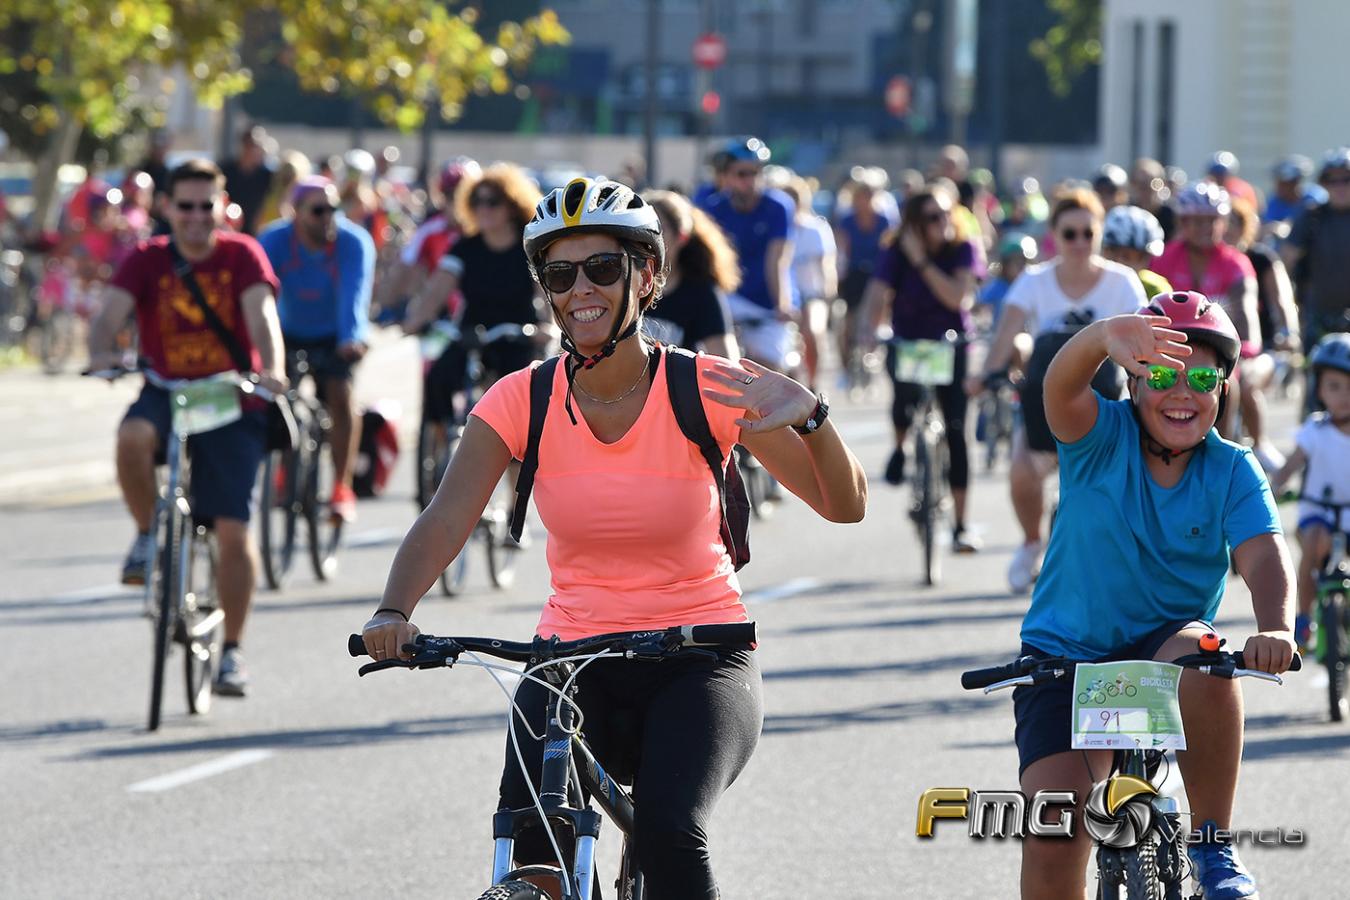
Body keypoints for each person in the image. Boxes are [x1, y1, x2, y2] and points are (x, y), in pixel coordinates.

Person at [360, 176, 867, 899]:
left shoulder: (708, 388)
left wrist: (812, 418)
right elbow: (446, 516)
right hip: (569, 659)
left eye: (602, 268)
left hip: (703, 658)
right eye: (560, 275)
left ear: (647, 276)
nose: (580, 291)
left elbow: (844, 506)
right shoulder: (521, 398)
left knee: (666, 833)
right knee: (532, 845)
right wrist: (393, 611)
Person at [1012, 291, 1295, 900]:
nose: (1181, 392)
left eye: (1201, 378)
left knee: (1204, 651)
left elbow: (1265, 555)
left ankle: (1213, 845)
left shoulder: (1234, 467)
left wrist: (1277, 627)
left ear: (1223, 389)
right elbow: (1058, 389)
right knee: (1054, 834)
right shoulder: (1097, 435)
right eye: (1161, 374)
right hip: (1066, 663)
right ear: (1134, 385)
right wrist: (1102, 336)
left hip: (1161, 655)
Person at [86, 158, 287, 697]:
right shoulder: (147, 259)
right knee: (131, 437)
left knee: (232, 528)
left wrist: (272, 370)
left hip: (230, 398)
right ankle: (149, 534)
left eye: (206, 206)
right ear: (167, 208)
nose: (196, 217)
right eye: (186, 206)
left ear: (223, 207)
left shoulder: (241, 254)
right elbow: (108, 315)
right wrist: (101, 353)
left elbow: (262, 316)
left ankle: (232, 653)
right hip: (165, 389)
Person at [970, 189, 1146, 593]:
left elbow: (1140, 337)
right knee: (1022, 472)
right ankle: (1032, 543)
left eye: (1089, 232)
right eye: (1070, 234)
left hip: (1106, 400)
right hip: (1043, 400)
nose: (1080, 243)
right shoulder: (1034, 281)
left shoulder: (1122, 282)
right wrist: (986, 374)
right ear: (1054, 235)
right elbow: (1006, 334)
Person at [860, 185, 981, 552]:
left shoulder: (963, 247)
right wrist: (868, 330)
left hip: (950, 343)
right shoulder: (896, 249)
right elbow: (877, 293)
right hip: (910, 341)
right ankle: (899, 449)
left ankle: (960, 525)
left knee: (957, 429)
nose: (943, 222)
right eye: (932, 217)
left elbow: (956, 296)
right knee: (903, 400)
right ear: (914, 223)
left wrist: (922, 262)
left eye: (947, 213)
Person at [258, 176, 376, 523]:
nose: (328, 218)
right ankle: (283, 468)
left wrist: (351, 338)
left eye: (334, 209)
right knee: (275, 398)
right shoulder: (273, 240)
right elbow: (258, 297)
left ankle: (341, 486)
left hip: (335, 335)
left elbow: (355, 296)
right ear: (295, 212)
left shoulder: (353, 241)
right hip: (287, 333)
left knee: (340, 396)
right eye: (318, 210)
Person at [403, 163, 547, 424]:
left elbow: (547, 294)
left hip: (517, 334)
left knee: (522, 394)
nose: (483, 208)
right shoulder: (465, 247)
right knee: (437, 378)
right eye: (477, 201)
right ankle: (441, 446)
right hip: (471, 331)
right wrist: (416, 319)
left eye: (492, 201)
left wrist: (550, 327)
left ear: (512, 205)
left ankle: (516, 455)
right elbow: (437, 289)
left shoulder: (530, 248)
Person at [1154, 182, 1261, 438]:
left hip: (1221, 351)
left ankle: (1228, 446)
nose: (1205, 228)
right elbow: (1151, 307)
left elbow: (1246, 309)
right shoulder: (1164, 259)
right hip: (1171, 349)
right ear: (1183, 222)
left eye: (1212, 220)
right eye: (1197, 221)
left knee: (1230, 384)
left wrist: (1247, 347)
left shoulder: (1236, 263)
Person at [1269, 333, 1350, 649]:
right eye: (1334, 386)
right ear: (1318, 390)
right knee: (1313, 544)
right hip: (1318, 513)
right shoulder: (1315, 430)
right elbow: (1291, 464)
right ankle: (1304, 618)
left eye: (1349, 386)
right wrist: (1275, 486)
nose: (1344, 395)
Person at [697, 136, 797, 370]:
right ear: (726, 176)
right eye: (742, 174)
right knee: (714, 367)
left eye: (755, 173)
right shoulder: (712, 208)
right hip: (728, 297)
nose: (750, 180)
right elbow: (706, 261)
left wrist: (782, 303)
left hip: (766, 301)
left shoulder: (778, 207)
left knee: (771, 369)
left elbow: (778, 261)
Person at [1227, 196, 1300, 471]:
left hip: (1262, 348)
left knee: (1245, 381)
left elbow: (1281, 299)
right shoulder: (1208, 261)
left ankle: (1260, 443)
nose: (1227, 229)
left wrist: (1288, 333)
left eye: (1234, 222)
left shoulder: (1261, 258)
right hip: (1219, 350)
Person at [373, 157, 479, 321]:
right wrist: (384, 307)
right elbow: (404, 266)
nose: (458, 203)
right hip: (445, 316)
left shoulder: (489, 229)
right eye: (451, 194)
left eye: (466, 196)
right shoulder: (430, 229)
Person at [641, 190, 739, 359]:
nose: (648, 239)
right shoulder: (624, 284)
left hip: (676, 384)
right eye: (642, 229)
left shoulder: (701, 291)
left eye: (657, 230)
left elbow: (726, 359)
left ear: (682, 237)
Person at [835, 169, 899, 380]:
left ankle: (873, 350)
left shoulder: (884, 220)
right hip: (854, 273)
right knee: (849, 320)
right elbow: (843, 250)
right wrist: (839, 275)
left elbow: (889, 249)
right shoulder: (847, 220)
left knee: (878, 311)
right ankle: (846, 366)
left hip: (877, 273)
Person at [1282, 147, 1350, 345]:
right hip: (1318, 318)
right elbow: (1286, 260)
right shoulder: (1312, 216)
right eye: (1332, 180)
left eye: (1346, 179)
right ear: (1324, 184)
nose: (1340, 186)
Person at [782, 175, 837, 390]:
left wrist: (828, 289)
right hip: (787, 295)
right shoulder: (777, 229)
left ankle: (813, 383)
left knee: (812, 331)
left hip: (811, 294)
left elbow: (826, 263)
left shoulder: (815, 229)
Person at [1099, 204, 1172, 299]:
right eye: (1125, 256)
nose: (1121, 263)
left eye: (1140, 257)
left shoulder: (1157, 291)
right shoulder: (1084, 285)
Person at [220, 125, 276, 236]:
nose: (253, 150)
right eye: (250, 145)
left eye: (257, 146)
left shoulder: (268, 176)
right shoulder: (226, 171)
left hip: (257, 232)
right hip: (230, 230)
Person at [1263, 154, 1324, 232]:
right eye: (1278, 182)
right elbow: (1268, 223)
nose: (1279, 187)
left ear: (1296, 182)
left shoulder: (1314, 196)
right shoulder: (1275, 202)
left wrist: (1287, 225)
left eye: (1285, 183)